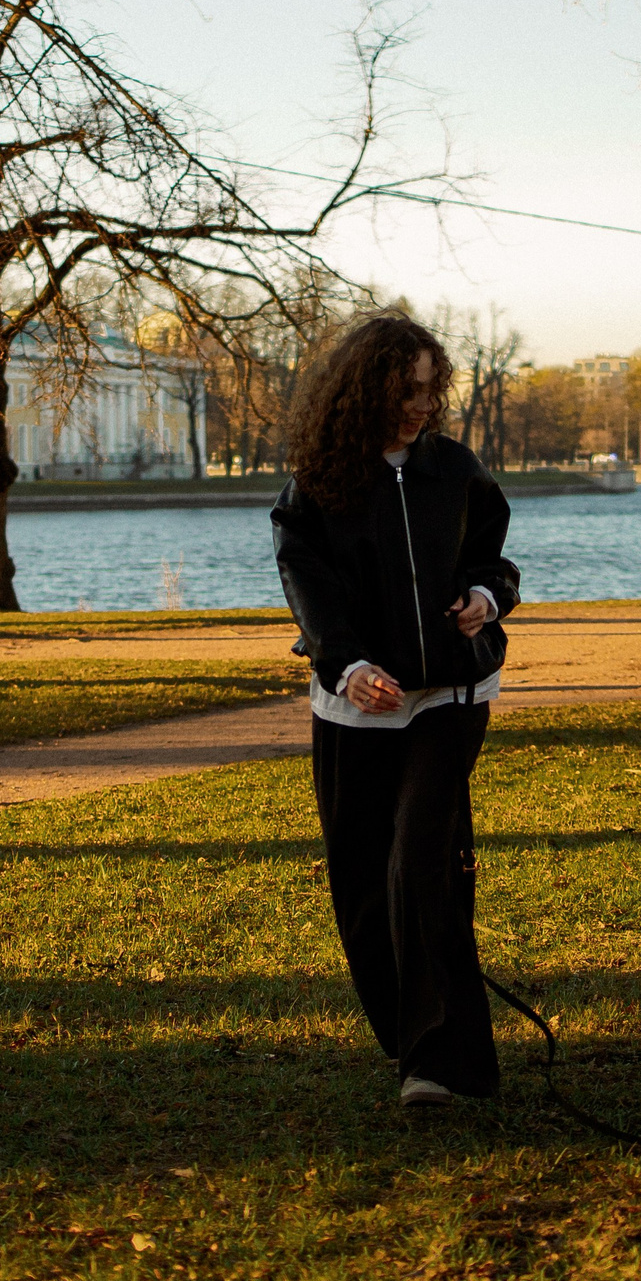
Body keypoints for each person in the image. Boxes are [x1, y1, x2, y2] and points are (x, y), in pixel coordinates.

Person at [272, 312, 521, 1109]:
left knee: (423, 863)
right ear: (366, 387)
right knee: (364, 881)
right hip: (355, 707)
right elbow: (307, 584)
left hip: (451, 696)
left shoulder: (455, 467)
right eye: (407, 390)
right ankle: (409, 1041)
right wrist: (346, 666)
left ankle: (448, 1062)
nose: (422, 406)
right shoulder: (320, 481)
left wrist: (487, 597)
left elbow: (494, 554)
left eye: (429, 390)